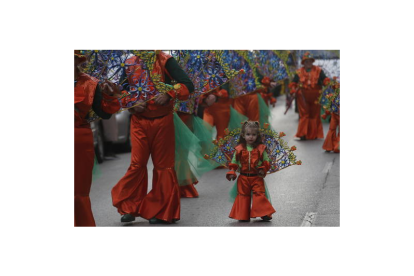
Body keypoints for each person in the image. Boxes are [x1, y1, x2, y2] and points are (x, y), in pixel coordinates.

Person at [111, 50, 194, 224]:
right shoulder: (130, 63)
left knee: (163, 166)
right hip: (139, 121)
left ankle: (161, 209)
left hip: (162, 120)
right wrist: (131, 105)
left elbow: (187, 84)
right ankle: (129, 207)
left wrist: (169, 94)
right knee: (137, 164)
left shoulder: (166, 61)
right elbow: (123, 91)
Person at [74, 50, 121, 227]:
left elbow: (104, 113)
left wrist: (110, 96)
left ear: (77, 61)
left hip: (79, 140)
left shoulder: (91, 83)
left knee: (78, 190)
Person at [225, 121, 275, 222]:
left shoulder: (261, 148)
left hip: (257, 177)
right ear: (243, 135)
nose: (251, 137)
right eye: (248, 134)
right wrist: (232, 171)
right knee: (243, 195)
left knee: (259, 194)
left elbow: (266, 161)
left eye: (253, 134)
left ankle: (264, 213)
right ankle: (242, 215)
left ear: (257, 136)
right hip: (243, 178)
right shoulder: (239, 149)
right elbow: (234, 161)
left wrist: (263, 168)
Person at [289, 52, 329, 140]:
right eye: (306, 61)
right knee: (304, 114)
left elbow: (324, 79)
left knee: (314, 115)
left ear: (312, 62)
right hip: (303, 96)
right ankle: (303, 134)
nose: (308, 63)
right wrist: (292, 88)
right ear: (303, 63)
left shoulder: (319, 70)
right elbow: (294, 82)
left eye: (310, 61)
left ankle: (313, 134)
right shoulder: (299, 72)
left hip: (316, 96)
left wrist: (327, 81)